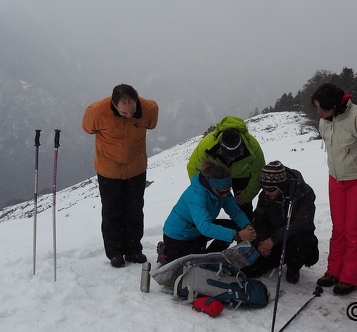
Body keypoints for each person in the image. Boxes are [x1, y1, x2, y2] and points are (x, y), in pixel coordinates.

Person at [310, 82, 357, 295]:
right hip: (336, 179)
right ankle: (333, 271)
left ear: (335, 105)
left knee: (353, 230)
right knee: (338, 228)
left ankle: (350, 277)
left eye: (322, 108)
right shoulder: (326, 120)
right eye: (316, 107)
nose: (319, 112)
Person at [82, 84, 159, 268]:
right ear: (114, 105)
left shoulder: (149, 108)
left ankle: (134, 250)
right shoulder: (97, 111)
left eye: (132, 110)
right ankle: (115, 252)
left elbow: (152, 124)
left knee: (134, 210)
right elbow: (87, 127)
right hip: (108, 170)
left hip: (136, 168)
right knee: (111, 211)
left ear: (136, 100)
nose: (129, 115)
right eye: (124, 113)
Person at [158, 158, 257, 265]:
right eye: (222, 193)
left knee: (232, 227)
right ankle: (167, 253)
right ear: (212, 186)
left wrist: (246, 225)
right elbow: (205, 227)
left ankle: (211, 259)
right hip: (178, 237)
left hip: (196, 230)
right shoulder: (196, 195)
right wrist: (237, 235)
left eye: (228, 191)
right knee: (193, 266)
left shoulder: (221, 189)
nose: (225, 195)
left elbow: (235, 212)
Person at [241, 161, 319, 284]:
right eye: (263, 188)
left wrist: (272, 240)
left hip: (293, 239)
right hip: (273, 241)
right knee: (248, 271)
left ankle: (293, 268)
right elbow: (259, 219)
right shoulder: (265, 195)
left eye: (270, 189)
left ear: (281, 185)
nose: (266, 192)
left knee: (302, 239)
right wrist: (262, 240)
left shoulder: (303, 192)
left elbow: (303, 223)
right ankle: (271, 259)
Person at [187, 116, 265, 221]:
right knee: (208, 203)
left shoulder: (253, 147)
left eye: (236, 155)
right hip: (217, 175)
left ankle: (245, 231)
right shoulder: (208, 144)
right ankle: (206, 227)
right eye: (227, 155)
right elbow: (193, 168)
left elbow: (258, 174)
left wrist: (246, 195)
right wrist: (205, 191)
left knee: (243, 207)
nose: (232, 158)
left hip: (241, 175)